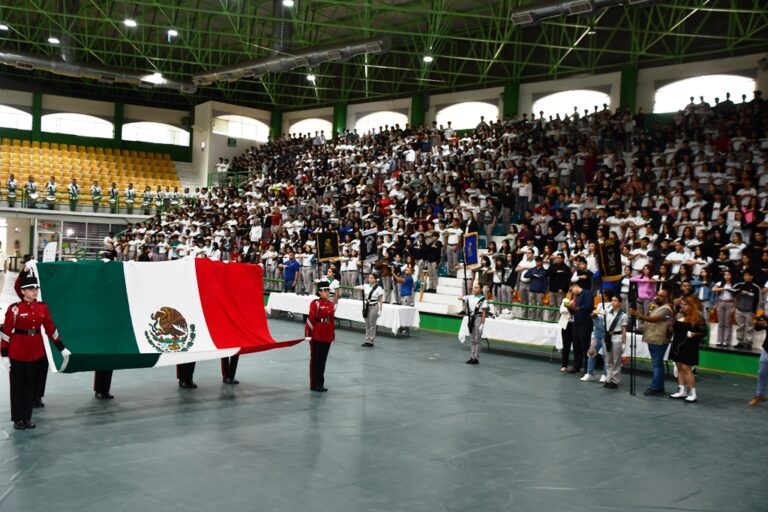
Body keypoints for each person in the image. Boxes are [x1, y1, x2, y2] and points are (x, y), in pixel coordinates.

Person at [1, 273, 71, 430]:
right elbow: (6, 332)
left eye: (36, 288)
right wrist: (4, 355)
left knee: (30, 387)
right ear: (23, 291)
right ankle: (18, 419)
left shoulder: (42, 308)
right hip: (18, 351)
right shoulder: (15, 309)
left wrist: (61, 347)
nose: (35, 291)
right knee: (18, 387)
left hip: (36, 352)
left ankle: (27, 417)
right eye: (31, 289)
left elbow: (50, 329)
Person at [630, 289, 674, 396]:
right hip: (653, 337)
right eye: (657, 295)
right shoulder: (655, 306)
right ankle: (659, 387)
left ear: (667, 298)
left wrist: (637, 314)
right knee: (658, 364)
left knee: (657, 364)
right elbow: (649, 315)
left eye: (661, 296)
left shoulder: (667, 310)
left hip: (659, 339)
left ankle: (655, 387)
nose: (658, 297)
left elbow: (654, 319)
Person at [669, 296, 706, 402]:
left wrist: (694, 334)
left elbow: (703, 332)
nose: (682, 306)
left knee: (686, 368)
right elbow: (674, 328)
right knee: (679, 366)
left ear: (691, 305)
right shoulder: (679, 315)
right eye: (682, 304)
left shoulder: (698, 317)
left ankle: (692, 393)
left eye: (685, 304)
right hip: (677, 344)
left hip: (689, 346)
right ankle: (681, 390)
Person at [306, 280, 335, 392]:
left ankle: (320, 383)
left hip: (327, 335)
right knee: (315, 360)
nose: (327, 293)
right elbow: (310, 319)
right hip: (317, 334)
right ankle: (314, 384)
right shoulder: (315, 303)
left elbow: (332, 320)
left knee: (323, 360)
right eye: (325, 291)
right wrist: (308, 334)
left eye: (328, 290)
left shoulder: (330, 304)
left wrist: (332, 334)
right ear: (320, 292)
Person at [566, 282, 594, 374]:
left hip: (585, 323)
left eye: (572, 290)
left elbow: (589, 306)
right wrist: (570, 307)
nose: (572, 293)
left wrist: (577, 308)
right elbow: (572, 311)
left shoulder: (587, 293)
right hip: (576, 322)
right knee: (576, 345)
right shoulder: (574, 296)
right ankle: (576, 366)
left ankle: (586, 368)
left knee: (585, 345)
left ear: (576, 287)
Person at [602, 295, 628, 389]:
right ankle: (608, 379)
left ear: (620, 303)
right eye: (612, 300)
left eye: (615, 300)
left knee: (616, 360)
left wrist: (624, 343)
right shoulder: (608, 312)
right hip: (608, 337)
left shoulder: (623, 315)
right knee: (608, 359)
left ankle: (615, 380)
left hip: (617, 337)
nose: (613, 302)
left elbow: (624, 329)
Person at [459, 282, 488, 365]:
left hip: (478, 318)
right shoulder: (470, 297)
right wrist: (465, 297)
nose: (474, 289)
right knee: (472, 339)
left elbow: (484, 313)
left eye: (477, 288)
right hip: (471, 318)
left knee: (477, 339)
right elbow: (459, 298)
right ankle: (471, 357)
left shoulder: (483, 299)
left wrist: (482, 323)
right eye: (474, 287)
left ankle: (476, 358)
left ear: (481, 289)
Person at [732, 269, 761, 349]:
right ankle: (740, 342)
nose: (746, 277)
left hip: (749, 311)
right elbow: (731, 290)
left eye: (748, 275)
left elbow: (757, 300)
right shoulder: (739, 285)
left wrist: (754, 311)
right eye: (745, 275)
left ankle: (748, 343)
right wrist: (740, 291)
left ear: (752, 276)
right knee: (740, 326)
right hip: (739, 309)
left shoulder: (755, 287)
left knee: (749, 327)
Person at [712, 270, 736, 347]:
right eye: (725, 275)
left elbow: (737, 293)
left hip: (730, 303)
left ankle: (726, 341)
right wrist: (723, 289)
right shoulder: (720, 283)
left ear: (731, 276)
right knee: (721, 322)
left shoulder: (734, 284)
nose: (726, 276)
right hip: (721, 302)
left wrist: (734, 306)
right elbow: (713, 289)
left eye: (728, 274)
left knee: (727, 323)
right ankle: (719, 340)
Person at [360, 273, 384, 347]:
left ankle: (371, 341)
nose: (369, 279)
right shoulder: (366, 286)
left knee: (372, 325)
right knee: (367, 324)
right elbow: (358, 287)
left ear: (375, 279)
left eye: (372, 278)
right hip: (366, 306)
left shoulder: (379, 288)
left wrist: (380, 310)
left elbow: (380, 300)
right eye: (369, 277)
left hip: (374, 306)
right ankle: (367, 339)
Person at [748, 314, 768, 406]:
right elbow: (757, 328)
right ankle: (760, 395)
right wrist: (757, 323)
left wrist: (766, 324)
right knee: (762, 374)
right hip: (766, 350)